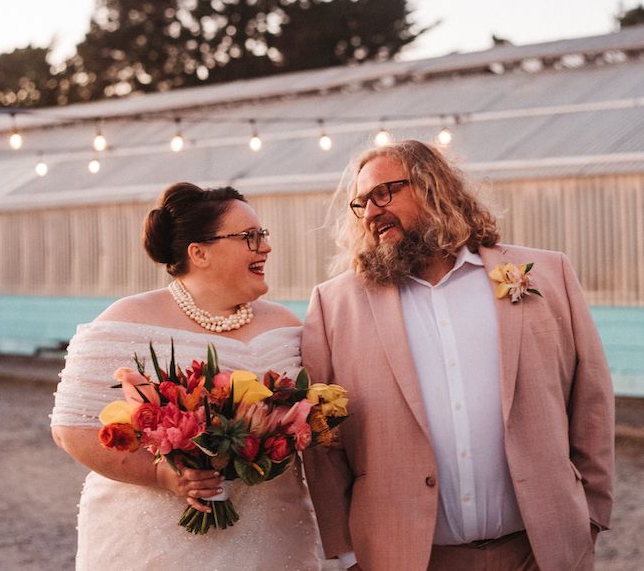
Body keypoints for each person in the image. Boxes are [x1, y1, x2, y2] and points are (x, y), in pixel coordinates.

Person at [300, 140, 614, 571]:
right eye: (361, 204)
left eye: (383, 194)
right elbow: (322, 441)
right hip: (405, 557)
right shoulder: (334, 306)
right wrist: (347, 552)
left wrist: (591, 515)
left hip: (539, 552)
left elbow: (591, 399)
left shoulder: (548, 275)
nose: (371, 212)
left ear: (433, 187)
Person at [51, 182, 322, 570]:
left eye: (262, 235)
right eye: (249, 237)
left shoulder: (286, 325)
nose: (266, 246)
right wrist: (163, 475)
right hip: (156, 541)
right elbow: (70, 430)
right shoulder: (127, 321)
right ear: (199, 253)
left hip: (273, 534)